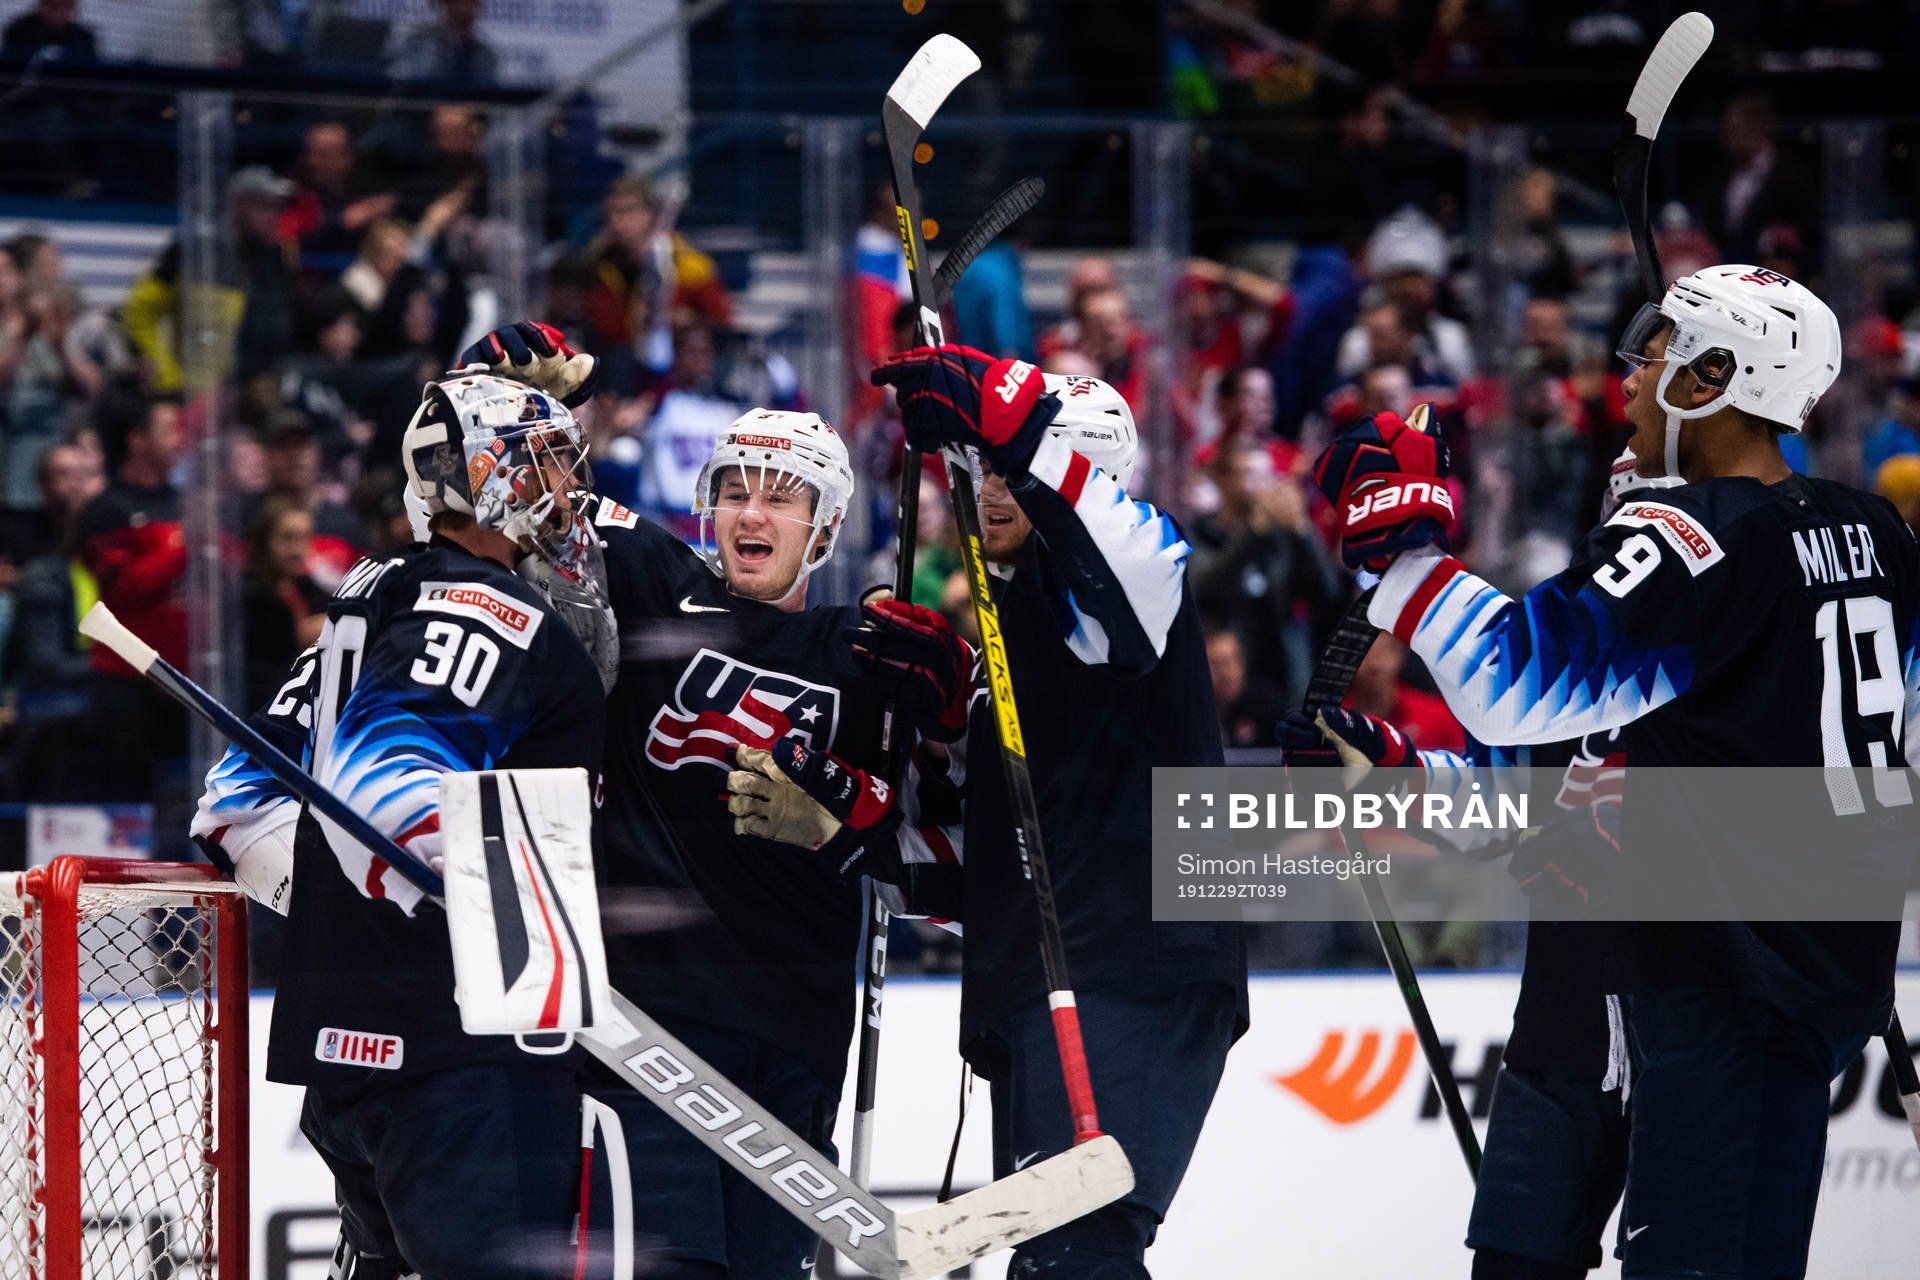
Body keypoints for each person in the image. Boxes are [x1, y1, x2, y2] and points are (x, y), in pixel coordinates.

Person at [1310, 264, 1918, 1279]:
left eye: (1657, 351)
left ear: (1718, 374)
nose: (1630, 376)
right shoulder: (1876, 531)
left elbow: (1513, 678)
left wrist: (1403, 558)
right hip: (1801, 972)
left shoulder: (1696, 537)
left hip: (1720, 977)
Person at [453, 320, 947, 1279]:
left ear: (831, 527)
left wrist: (936, 722)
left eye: (782, 496)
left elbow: (931, 839)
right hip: (652, 1028)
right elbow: (511, 495)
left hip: (798, 1033)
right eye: (733, 491)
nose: (751, 513)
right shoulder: (648, 580)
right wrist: (505, 392)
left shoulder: (871, 652)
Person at [190, 372, 607, 1279]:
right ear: (489, 474)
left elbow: (229, 812)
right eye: (546, 464)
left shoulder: (374, 590)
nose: (567, 488)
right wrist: (497, 919)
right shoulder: (488, 608)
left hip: (346, 1049)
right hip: (463, 1059)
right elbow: (383, 787)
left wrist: (359, 899)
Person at [868, 345, 1248, 1278]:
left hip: (1132, 968)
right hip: (1053, 972)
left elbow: (1114, 585)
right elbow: (993, 854)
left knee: (1077, 1251)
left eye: (1014, 466)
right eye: (982, 467)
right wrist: (853, 820)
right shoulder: (1019, 629)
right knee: (1053, 1256)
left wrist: (1011, 413)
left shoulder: (1142, 563)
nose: (993, 487)